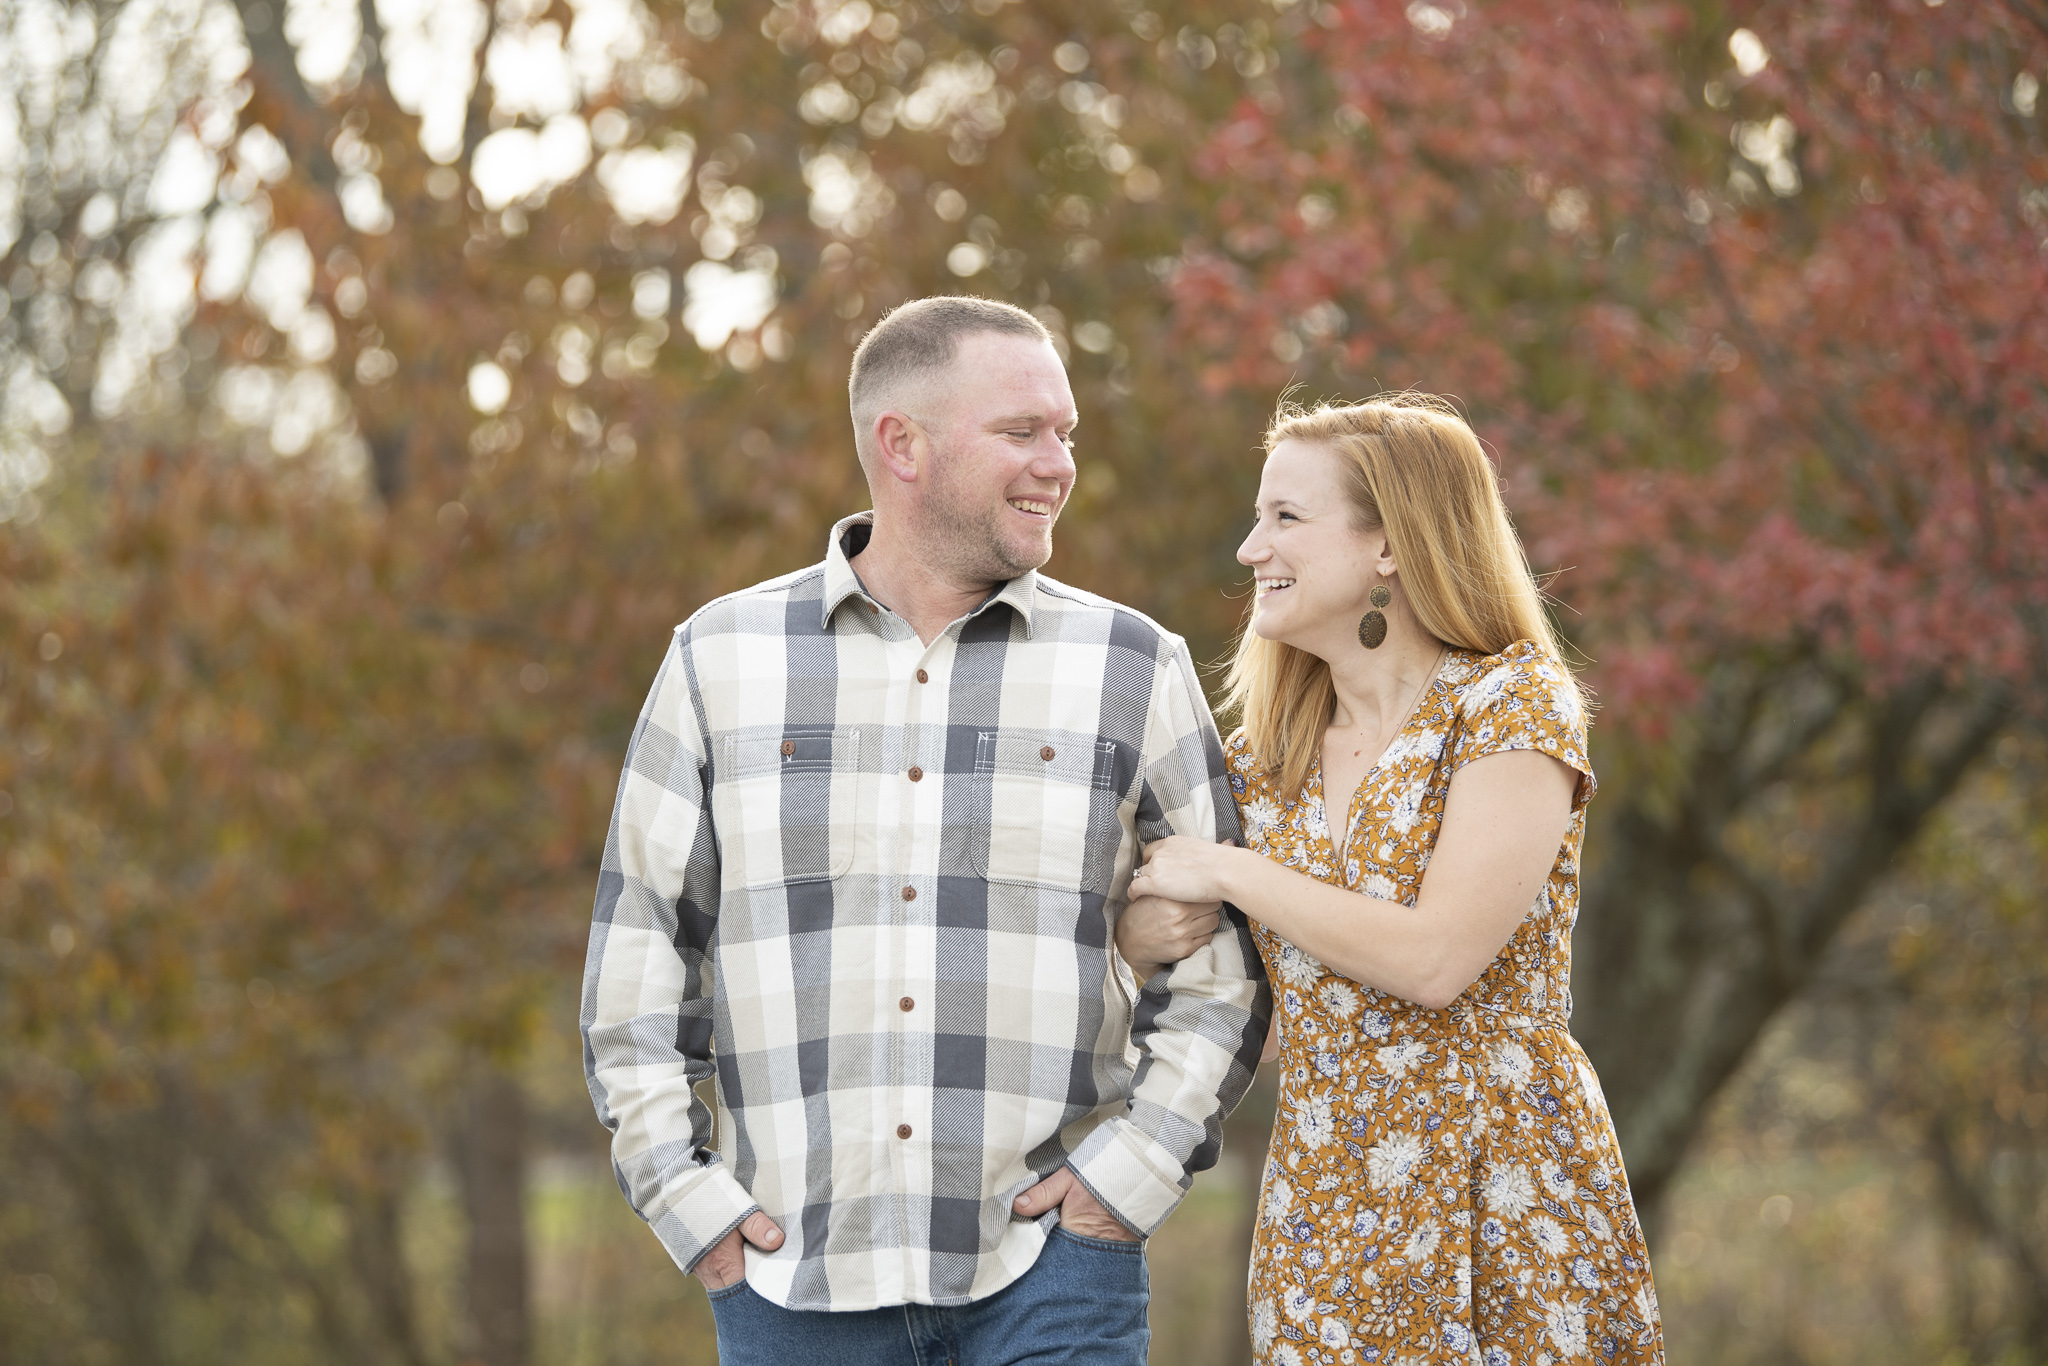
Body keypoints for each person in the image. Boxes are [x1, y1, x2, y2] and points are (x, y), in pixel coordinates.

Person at [579, 296, 1270, 1365]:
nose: (1057, 463)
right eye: (1020, 432)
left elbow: (1222, 968)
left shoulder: (1133, 666)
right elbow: (638, 963)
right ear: (899, 444)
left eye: (1065, 433)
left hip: (1052, 1279)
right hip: (790, 1287)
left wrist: (1122, 1183)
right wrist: (688, 1201)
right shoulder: (718, 660)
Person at [1123, 395, 1666, 1364]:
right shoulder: (1260, 763)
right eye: (1257, 519)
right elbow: (1220, 981)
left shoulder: (1507, 705)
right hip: (1325, 1206)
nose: (1250, 549)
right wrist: (1144, 930)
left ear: (1388, 545)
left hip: (1503, 1189)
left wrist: (1227, 869)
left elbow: (1435, 959)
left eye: (1284, 518)